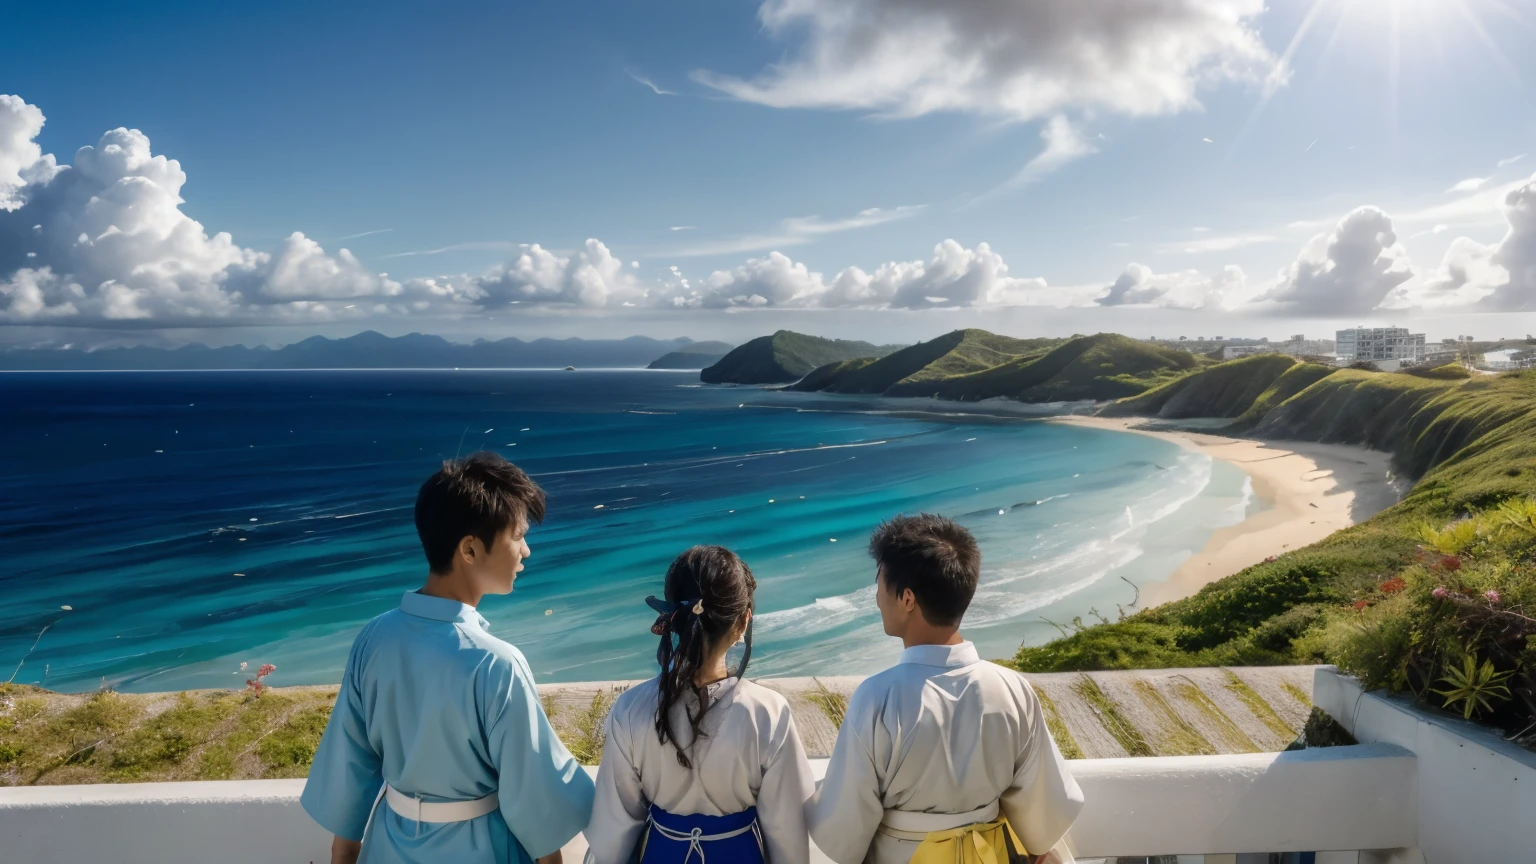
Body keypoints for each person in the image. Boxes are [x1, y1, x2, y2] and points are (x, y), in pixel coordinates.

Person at [301, 452, 595, 864]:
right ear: (470, 549)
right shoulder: (496, 663)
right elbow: (536, 803)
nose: (525, 551)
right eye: (517, 536)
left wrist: (344, 857)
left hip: (390, 845)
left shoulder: (374, 638)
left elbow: (350, 770)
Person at [807, 514, 1084, 864]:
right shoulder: (1012, 688)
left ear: (907, 599)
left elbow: (844, 828)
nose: (877, 598)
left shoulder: (877, 697)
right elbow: (1043, 806)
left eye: (879, 584)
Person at [584, 545, 815, 864]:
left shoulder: (631, 708)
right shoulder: (767, 712)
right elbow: (786, 829)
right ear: (743, 622)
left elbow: (613, 830)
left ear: (672, 619)